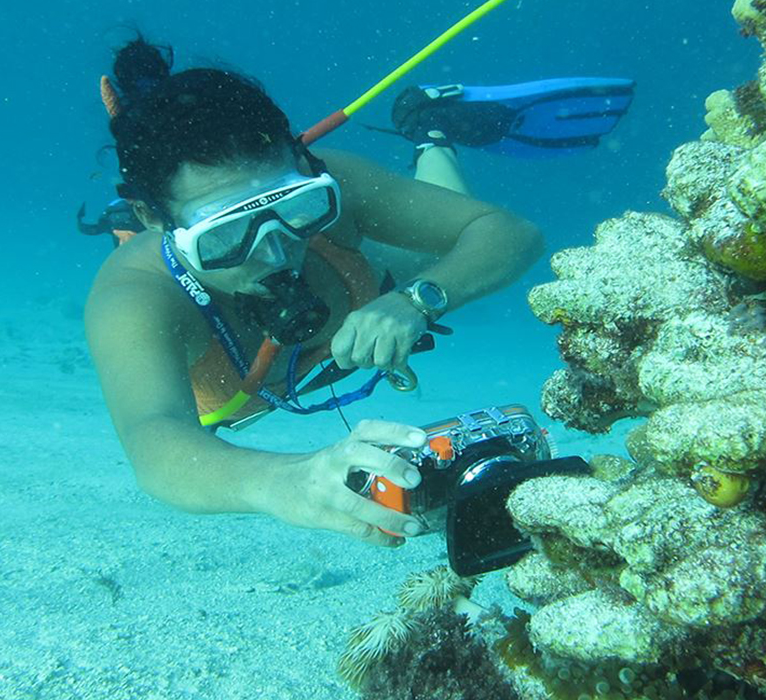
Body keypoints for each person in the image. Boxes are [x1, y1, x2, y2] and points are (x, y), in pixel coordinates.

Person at [84, 37, 544, 548]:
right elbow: (155, 439)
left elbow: (509, 233)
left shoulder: (337, 179)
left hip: (375, 277)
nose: (275, 252)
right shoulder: (139, 294)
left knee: (444, 236)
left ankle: (429, 128)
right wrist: (288, 481)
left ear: (306, 169)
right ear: (158, 222)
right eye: (225, 236)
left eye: (297, 208)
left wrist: (418, 299)